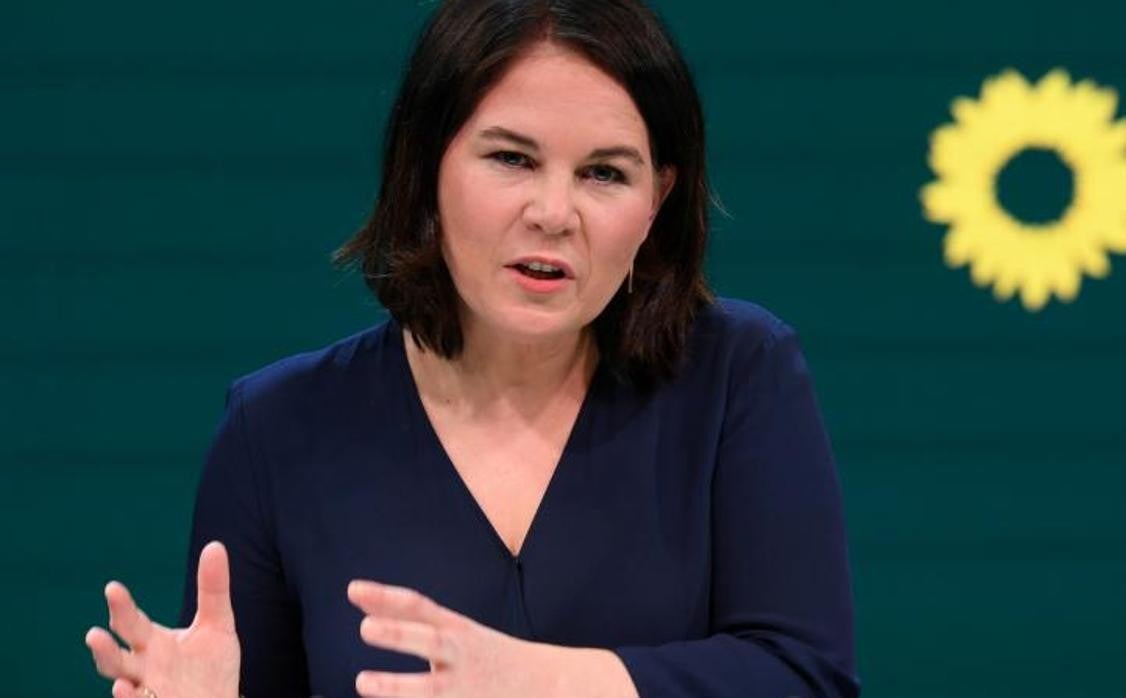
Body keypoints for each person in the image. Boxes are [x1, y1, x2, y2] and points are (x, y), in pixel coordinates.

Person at [83, 0, 860, 696]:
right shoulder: (276, 431)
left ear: (656, 200)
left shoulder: (736, 373)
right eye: (512, 159)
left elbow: (805, 675)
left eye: (604, 173)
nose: (554, 213)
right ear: (425, 171)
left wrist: (538, 679)